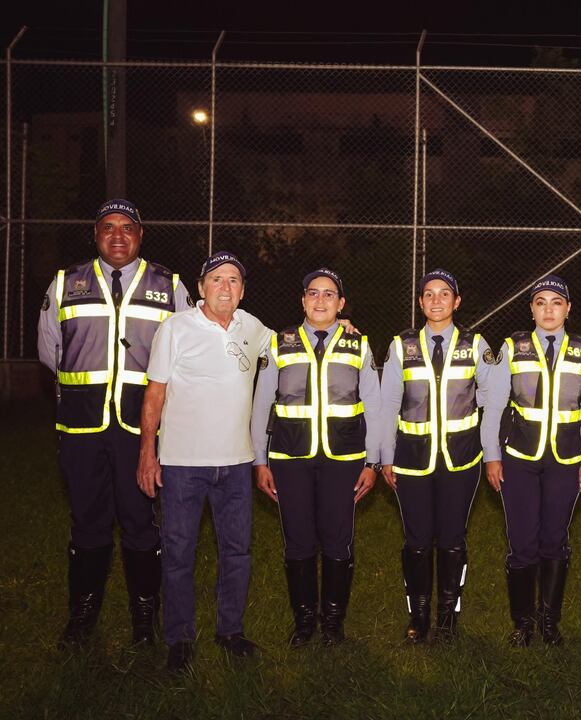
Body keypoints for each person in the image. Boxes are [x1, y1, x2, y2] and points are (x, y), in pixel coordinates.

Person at [38, 198, 190, 648]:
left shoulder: (170, 285)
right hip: (82, 428)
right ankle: (82, 614)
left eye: (128, 227)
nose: (118, 235)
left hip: (141, 431)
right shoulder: (66, 283)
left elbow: (191, 348)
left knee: (141, 521)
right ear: (95, 234)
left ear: (141, 235)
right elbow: (50, 352)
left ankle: (145, 618)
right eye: (108, 227)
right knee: (87, 520)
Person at [137, 251, 271, 673]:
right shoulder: (175, 328)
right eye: (217, 279)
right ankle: (179, 639)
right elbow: (154, 394)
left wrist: (338, 324)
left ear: (243, 290)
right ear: (200, 288)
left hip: (236, 464)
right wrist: (147, 453)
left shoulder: (253, 327)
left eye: (234, 280)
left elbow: (296, 343)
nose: (225, 287)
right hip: (181, 464)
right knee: (178, 553)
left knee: (237, 552)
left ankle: (230, 631)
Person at [250, 268, 381, 647]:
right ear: (302, 300)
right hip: (290, 458)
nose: (320, 300)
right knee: (299, 540)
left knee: (338, 540)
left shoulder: (359, 345)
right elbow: (261, 407)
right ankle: (304, 621)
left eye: (329, 294)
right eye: (313, 293)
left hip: (345, 458)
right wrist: (260, 461)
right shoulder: (280, 343)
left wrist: (373, 462)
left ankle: (333, 624)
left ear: (340, 304)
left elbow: (372, 406)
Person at [380, 268, 499, 645]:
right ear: (420, 302)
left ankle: (448, 615)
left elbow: (492, 396)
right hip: (411, 458)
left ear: (456, 301)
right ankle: (419, 615)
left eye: (444, 294)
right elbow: (388, 405)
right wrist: (384, 456)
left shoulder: (475, 344)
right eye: (428, 294)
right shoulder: (402, 346)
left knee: (451, 538)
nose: (436, 300)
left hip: (460, 459)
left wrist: (485, 441)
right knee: (416, 540)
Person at [481, 275, 581, 647]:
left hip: (565, 460)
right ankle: (522, 623)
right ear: (531, 309)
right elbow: (495, 406)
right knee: (522, 541)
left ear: (568, 309)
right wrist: (492, 457)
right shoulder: (512, 347)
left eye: (556, 302)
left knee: (554, 540)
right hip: (519, 458)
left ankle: (550, 622)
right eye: (541, 302)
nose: (549, 309)